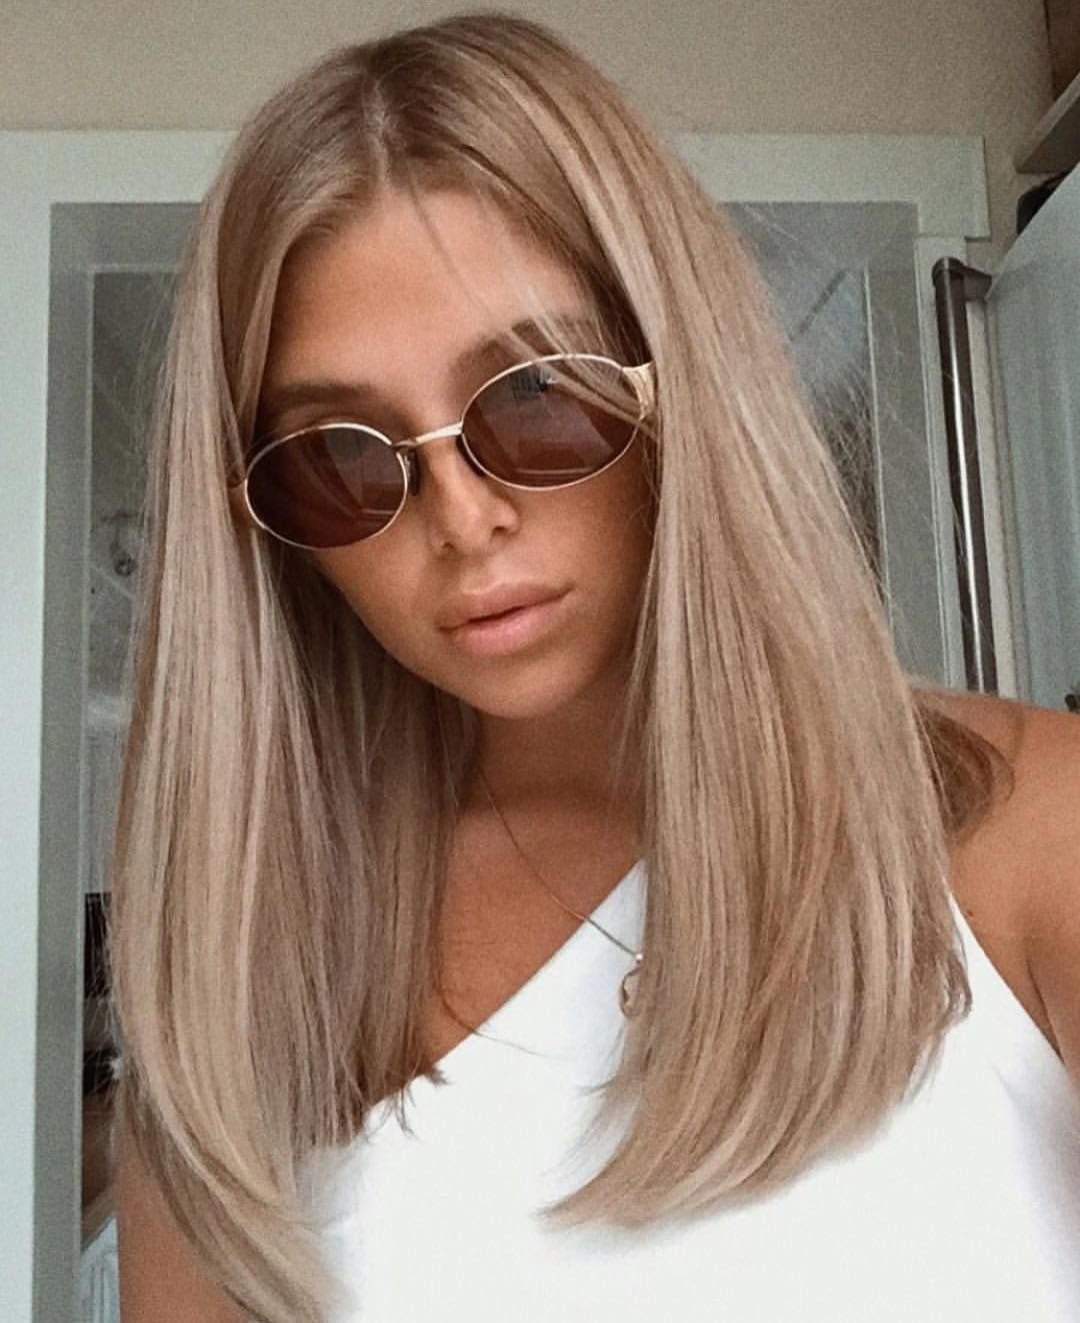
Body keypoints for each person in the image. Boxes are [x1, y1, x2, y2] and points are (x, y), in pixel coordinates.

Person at [109, 11, 1080, 1323]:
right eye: (341, 457)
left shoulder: (1039, 834)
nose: (463, 520)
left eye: (533, 396)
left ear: (688, 385)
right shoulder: (243, 994)